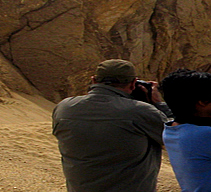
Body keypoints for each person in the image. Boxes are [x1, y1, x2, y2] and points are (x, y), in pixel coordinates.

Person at [52, 59, 173, 192]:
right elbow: (178, 134)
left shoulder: (64, 108)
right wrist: (158, 104)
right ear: (133, 84)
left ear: (93, 80)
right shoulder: (140, 112)